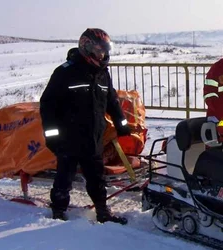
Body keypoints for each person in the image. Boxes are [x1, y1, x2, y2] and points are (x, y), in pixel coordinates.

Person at [39, 28, 131, 224]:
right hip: (68, 138)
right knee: (64, 178)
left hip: (93, 138)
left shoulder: (102, 74)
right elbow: (47, 105)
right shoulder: (65, 72)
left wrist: (122, 124)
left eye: (105, 51)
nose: (103, 55)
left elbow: (112, 101)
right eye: (99, 50)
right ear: (86, 47)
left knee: (97, 179)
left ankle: (103, 211)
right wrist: (52, 136)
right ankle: (58, 211)